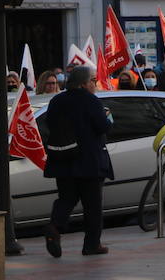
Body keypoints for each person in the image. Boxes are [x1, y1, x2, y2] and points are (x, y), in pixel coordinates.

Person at [41, 65, 113, 257]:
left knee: (66, 198)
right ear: (83, 83)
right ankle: (91, 245)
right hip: (89, 162)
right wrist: (107, 118)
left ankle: (55, 227)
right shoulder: (91, 101)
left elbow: (49, 124)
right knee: (92, 206)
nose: (95, 84)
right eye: (93, 80)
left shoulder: (57, 100)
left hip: (63, 159)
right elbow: (102, 126)